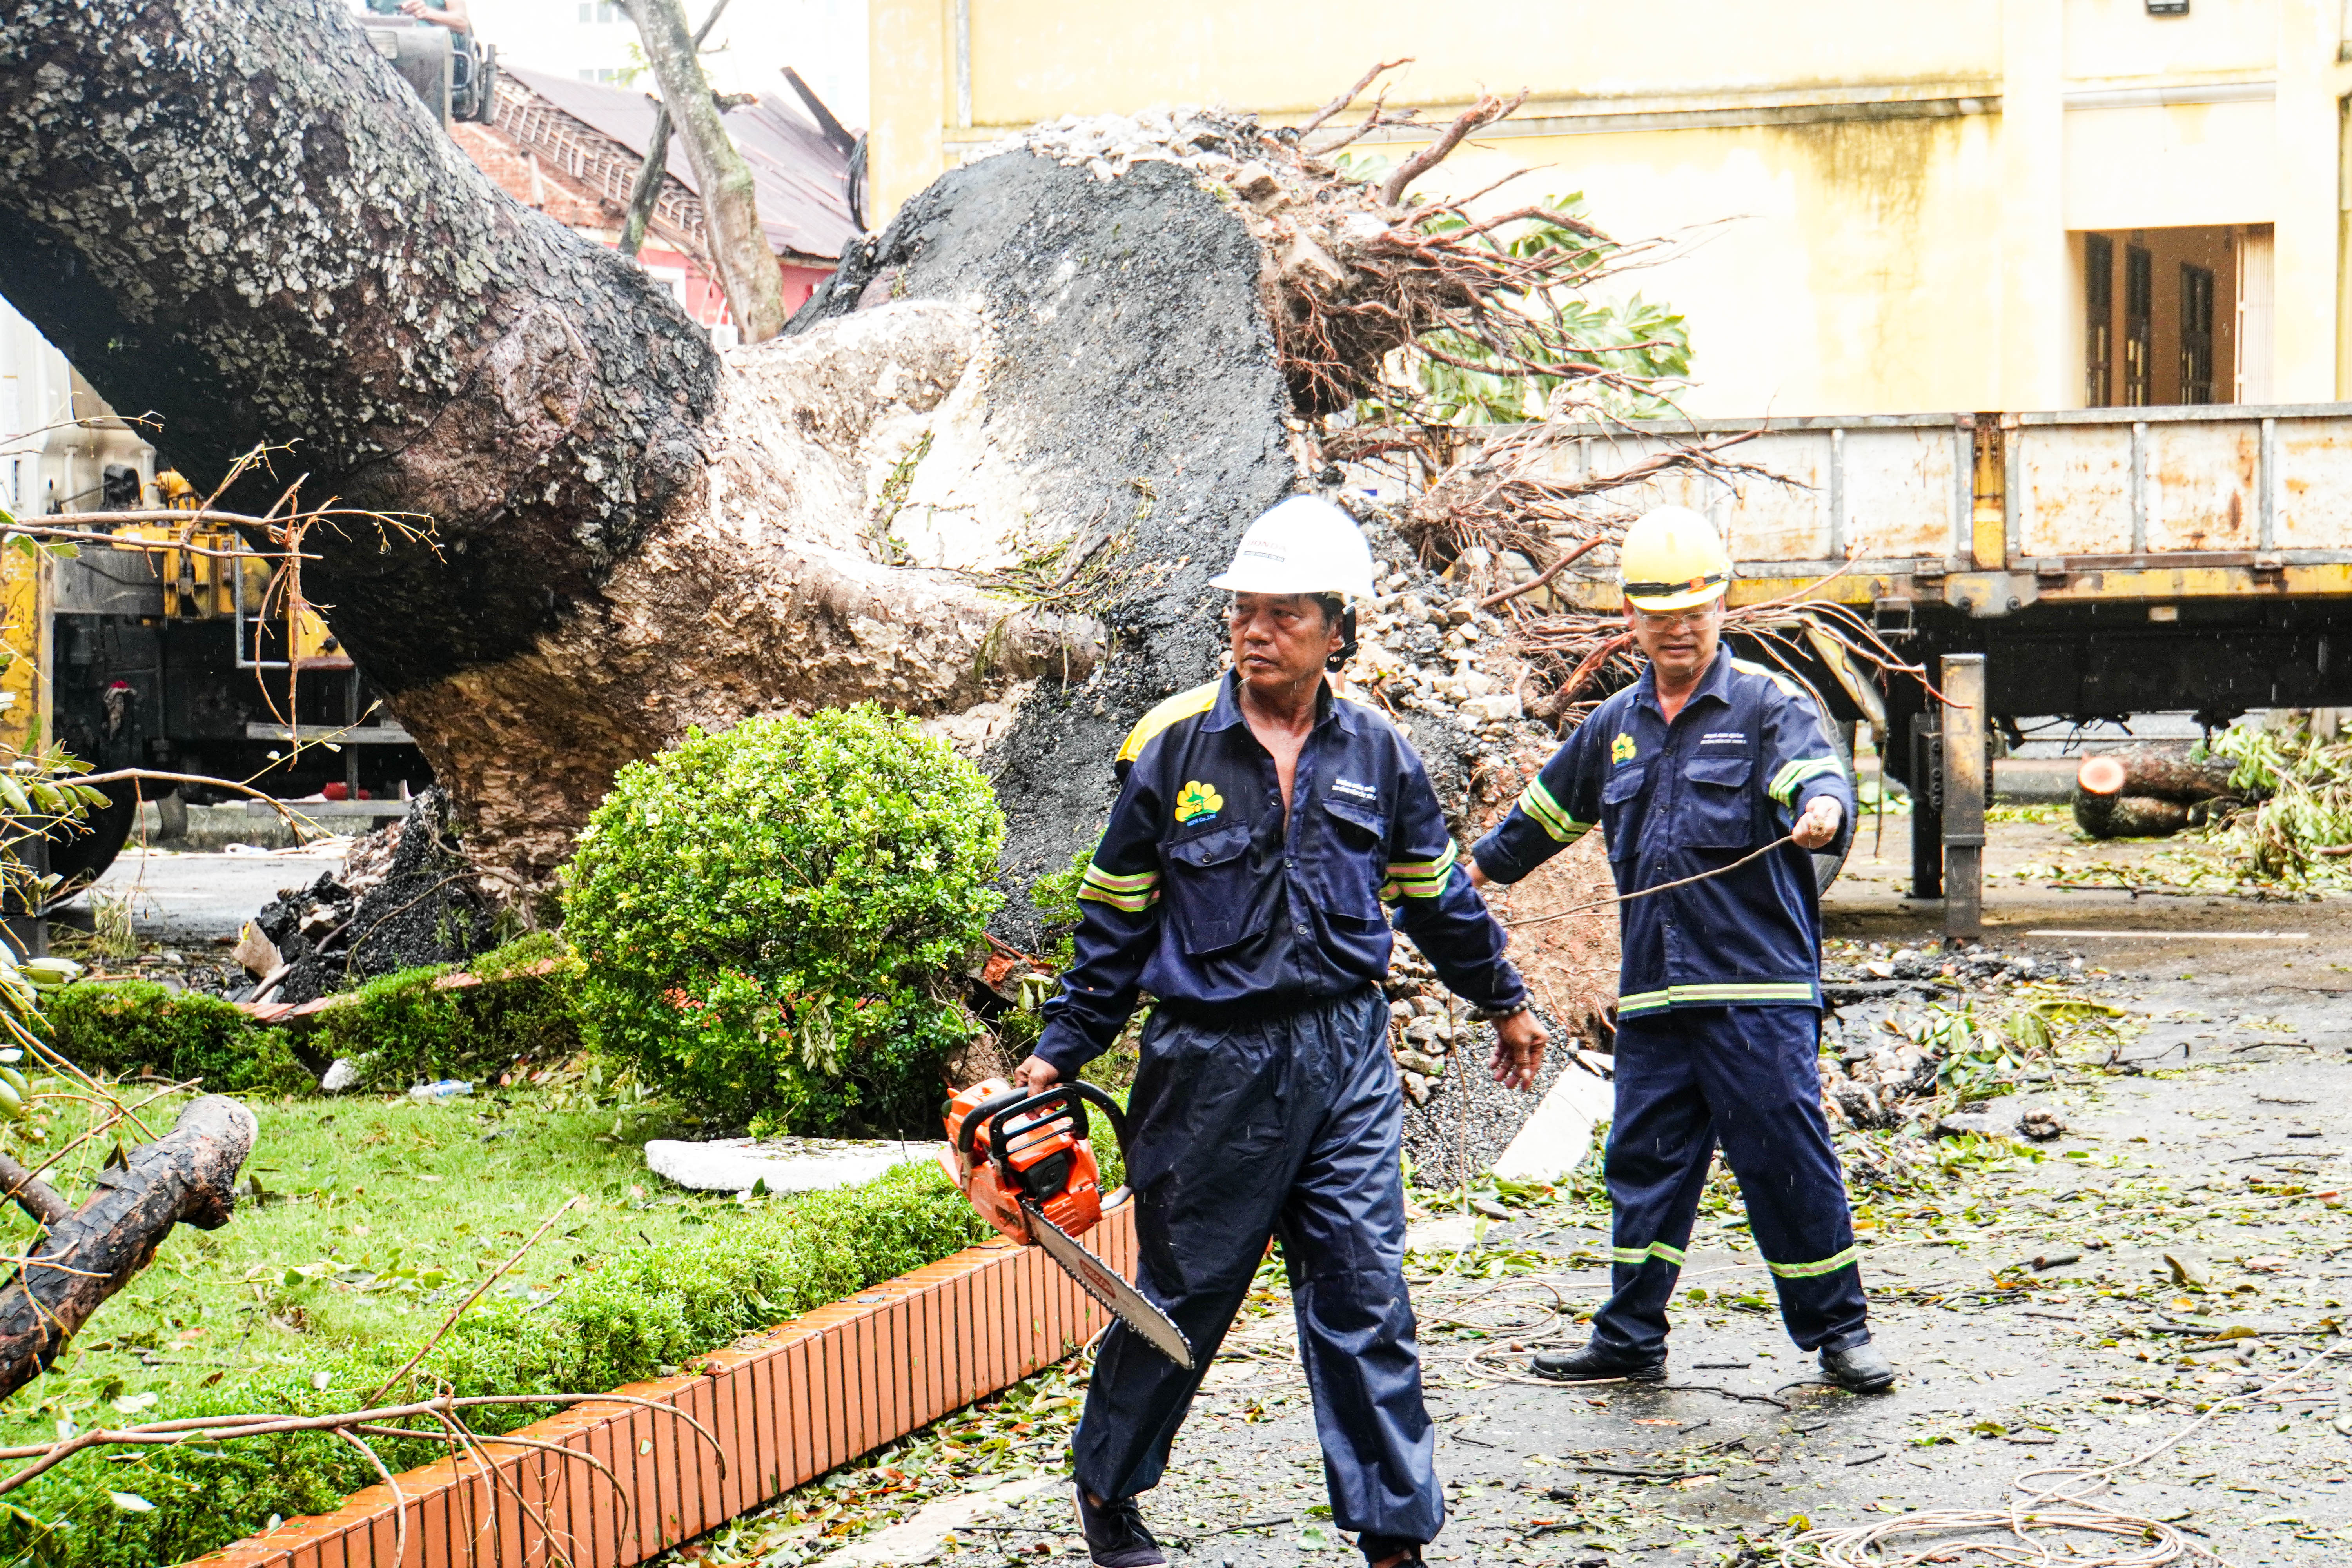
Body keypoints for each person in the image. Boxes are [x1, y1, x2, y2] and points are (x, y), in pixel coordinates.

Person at [1019, 495, 1549, 1568]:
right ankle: (1109, 1493)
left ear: (1336, 629)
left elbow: (1439, 897)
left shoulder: (1383, 757)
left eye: (1280, 615)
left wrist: (1505, 999)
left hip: (1345, 1056)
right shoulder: (1169, 753)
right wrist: (1057, 1053)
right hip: (1209, 1067)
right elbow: (1113, 925)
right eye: (1242, 615)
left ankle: (1394, 1534)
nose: (1254, 633)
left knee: (1365, 1289)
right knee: (1184, 1298)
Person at [1466, 505, 1897, 1395]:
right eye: (1659, 613)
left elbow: (1817, 779)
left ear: (1720, 607)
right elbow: (1547, 815)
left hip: (1759, 994)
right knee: (1644, 1167)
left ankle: (1839, 1333)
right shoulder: (1615, 726)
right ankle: (1629, 1335)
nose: (1677, 628)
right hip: (1658, 1000)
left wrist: (1822, 813)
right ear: (1632, 615)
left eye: (1693, 611)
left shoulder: (1769, 708)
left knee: (1785, 1161)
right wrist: (1475, 874)